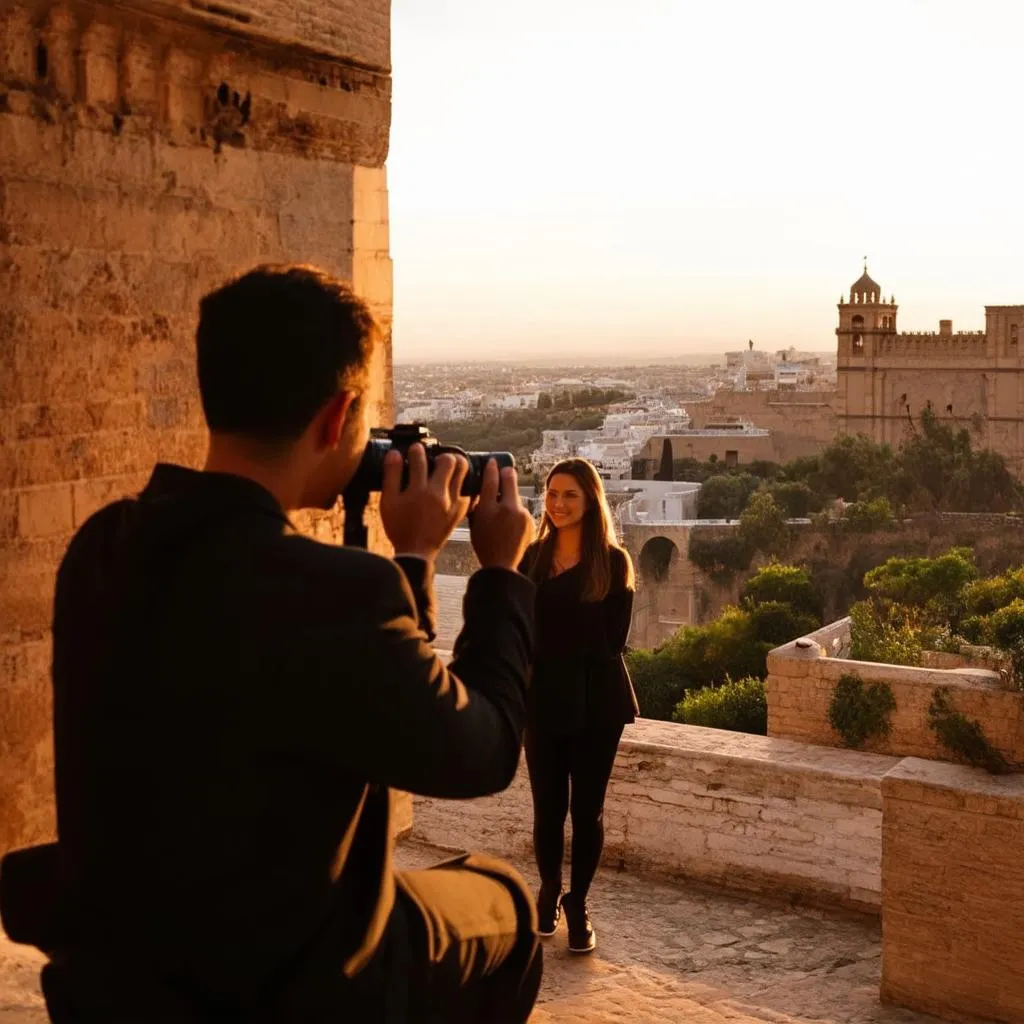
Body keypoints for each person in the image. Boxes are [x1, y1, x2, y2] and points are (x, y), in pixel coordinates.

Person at [30, 265, 542, 1022]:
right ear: (337, 418)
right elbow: (479, 751)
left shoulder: (102, 547)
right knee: (504, 905)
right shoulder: (336, 593)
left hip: (117, 974)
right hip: (291, 985)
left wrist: (404, 568)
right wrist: (498, 574)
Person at [518, 459, 638, 954]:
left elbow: (611, 641)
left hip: (596, 703)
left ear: (590, 500)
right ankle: (548, 888)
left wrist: (554, 632)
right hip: (543, 699)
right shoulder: (533, 558)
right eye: (551, 493)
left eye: (569, 494)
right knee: (548, 807)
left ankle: (579, 903)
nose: (558, 503)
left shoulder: (613, 563)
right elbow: (521, 630)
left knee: (587, 812)